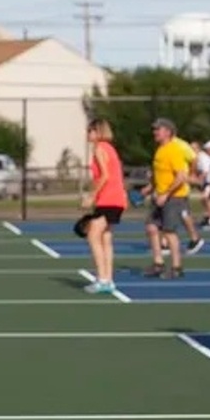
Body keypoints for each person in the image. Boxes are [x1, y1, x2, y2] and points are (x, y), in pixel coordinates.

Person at [140, 118, 193, 278]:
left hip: (174, 197)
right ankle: (158, 263)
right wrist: (150, 188)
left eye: (159, 129)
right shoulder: (160, 150)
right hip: (159, 196)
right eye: (154, 129)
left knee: (169, 231)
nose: (155, 132)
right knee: (151, 227)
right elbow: (159, 174)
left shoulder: (174, 149)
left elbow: (181, 176)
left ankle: (177, 267)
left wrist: (166, 194)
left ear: (168, 132)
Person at [80, 119, 127, 294]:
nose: (88, 134)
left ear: (98, 132)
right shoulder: (111, 149)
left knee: (93, 234)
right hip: (115, 198)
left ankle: (102, 279)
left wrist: (91, 196)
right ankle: (108, 279)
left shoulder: (99, 148)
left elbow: (105, 176)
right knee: (106, 237)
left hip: (108, 199)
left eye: (90, 131)